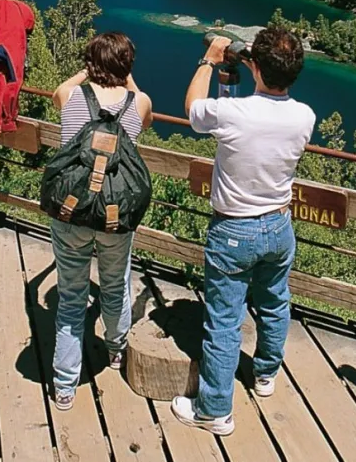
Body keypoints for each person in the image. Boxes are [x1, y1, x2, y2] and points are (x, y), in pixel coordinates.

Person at [172, 26, 315, 435]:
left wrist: (209, 60)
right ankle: (265, 374)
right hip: (279, 224)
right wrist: (256, 63)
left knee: (224, 320)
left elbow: (192, 108)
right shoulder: (305, 116)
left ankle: (215, 409)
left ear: (256, 67)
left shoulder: (233, 113)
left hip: (234, 230)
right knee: (274, 302)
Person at [49, 31, 153, 411]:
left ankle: (64, 385)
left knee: (71, 298)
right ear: (127, 66)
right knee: (114, 285)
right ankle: (115, 349)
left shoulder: (71, 96)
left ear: (91, 63)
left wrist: (88, 71)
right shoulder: (139, 102)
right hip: (115, 213)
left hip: (71, 210)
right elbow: (145, 114)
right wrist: (125, 76)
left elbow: (59, 90)